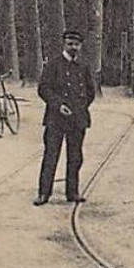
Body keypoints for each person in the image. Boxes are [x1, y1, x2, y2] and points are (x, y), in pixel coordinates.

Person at [35, 28, 96, 205]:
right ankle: (44, 193)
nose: (73, 47)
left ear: (81, 46)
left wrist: (80, 107)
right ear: (64, 44)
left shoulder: (83, 67)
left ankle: (73, 192)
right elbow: (43, 89)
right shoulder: (53, 65)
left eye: (76, 44)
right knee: (51, 155)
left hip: (77, 120)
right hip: (56, 119)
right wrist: (58, 105)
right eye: (70, 44)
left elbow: (90, 91)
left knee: (75, 157)